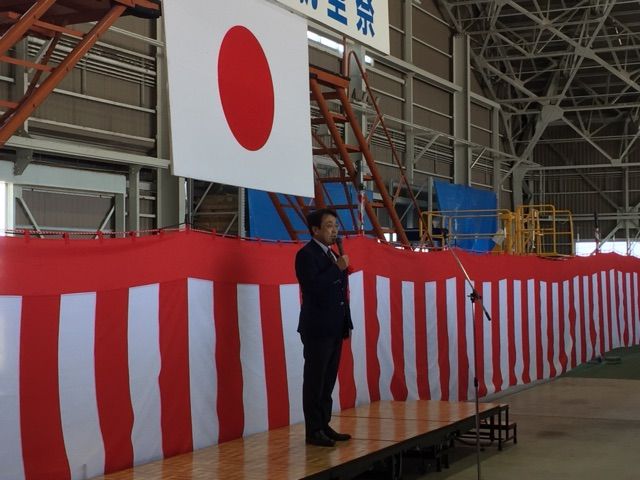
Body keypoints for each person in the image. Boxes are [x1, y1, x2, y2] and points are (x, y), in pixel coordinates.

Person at [295, 208, 353, 447]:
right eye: (329, 226)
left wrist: (346, 322)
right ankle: (313, 430)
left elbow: (340, 292)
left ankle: (324, 423)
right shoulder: (306, 255)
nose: (334, 231)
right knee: (315, 380)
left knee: (328, 380)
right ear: (315, 229)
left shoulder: (330, 254)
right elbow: (312, 286)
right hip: (317, 328)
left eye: (336, 226)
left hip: (335, 326)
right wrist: (337, 268)